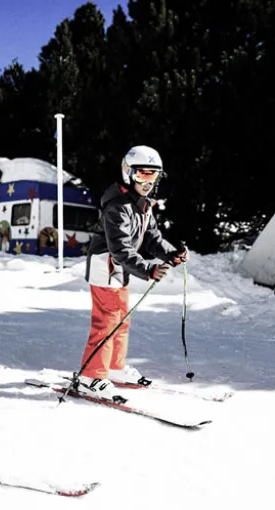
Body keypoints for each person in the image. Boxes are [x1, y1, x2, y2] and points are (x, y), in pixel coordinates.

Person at [78, 145, 188, 400]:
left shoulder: (142, 205)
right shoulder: (118, 207)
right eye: (142, 175)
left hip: (120, 269)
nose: (148, 182)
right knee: (106, 321)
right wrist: (149, 268)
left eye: (154, 176)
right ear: (129, 173)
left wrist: (171, 253)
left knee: (121, 320)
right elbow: (120, 250)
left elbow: (151, 238)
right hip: (105, 266)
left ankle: (114, 368)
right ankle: (91, 376)